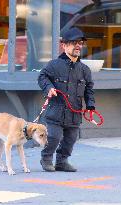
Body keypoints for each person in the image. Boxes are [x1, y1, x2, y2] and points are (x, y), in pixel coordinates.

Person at [38, 27, 95, 172]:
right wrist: (48, 88)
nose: (78, 46)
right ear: (64, 45)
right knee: (54, 138)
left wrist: (90, 106)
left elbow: (89, 89)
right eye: (74, 42)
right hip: (56, 111)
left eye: (80, 43)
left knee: (70, 140)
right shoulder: (54, 65)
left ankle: (62, 162)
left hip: (74, 113)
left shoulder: (84, 69)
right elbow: (42, 76)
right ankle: (46, 158)